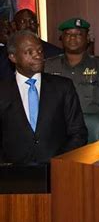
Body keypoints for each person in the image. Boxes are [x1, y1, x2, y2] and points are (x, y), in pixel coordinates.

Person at [0, 30, 87, 163]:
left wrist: (59, 161)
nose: (38, 56)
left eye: (40, 51)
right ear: (13, 57)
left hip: (58, 170)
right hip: (13, 174)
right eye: (29, 52)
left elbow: (78, 133)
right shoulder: (3, 91)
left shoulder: (63, 87)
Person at [44, 18, 99, 135]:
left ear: (87, 39)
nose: (72, 38)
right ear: (62, 38)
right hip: (56, 132)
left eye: (78, 34)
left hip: (92, 134)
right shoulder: (48, 66)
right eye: (68, 34)